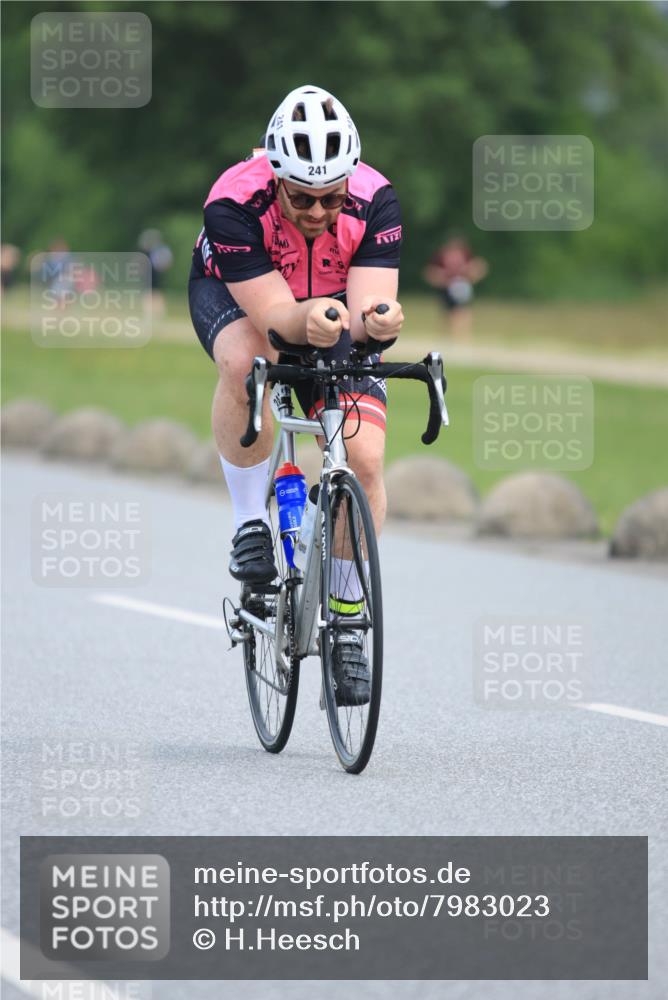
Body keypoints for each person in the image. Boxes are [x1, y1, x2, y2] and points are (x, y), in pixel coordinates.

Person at [189, 84, 404, 705]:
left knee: (363, 462)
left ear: (351, 181)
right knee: (246, 361)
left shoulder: (376, 199)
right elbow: (279, 317)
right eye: (302, 198)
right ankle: (250, 522)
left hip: (328, 304)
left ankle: (344, 619)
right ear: (275, 176)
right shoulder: (234, 201)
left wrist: (380, 321)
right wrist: (308, 321)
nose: (316, 211)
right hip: (241, 296)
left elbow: (364, 312)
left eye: (330, 197)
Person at [424, 236, 488, 340]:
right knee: (447, 312)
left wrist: (470, 275)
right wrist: (441, 278)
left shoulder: (466, 254)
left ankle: (461, 336)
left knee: (462, 311)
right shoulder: (441, 255)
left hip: (461, 286)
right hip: (446, 286)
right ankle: (448, 336)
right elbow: (431, 272)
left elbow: (479, 266)